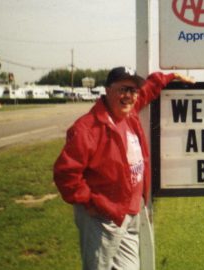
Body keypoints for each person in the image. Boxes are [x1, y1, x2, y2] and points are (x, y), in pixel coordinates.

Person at [53, 66, 195, 270]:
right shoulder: (87, 128)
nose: (129, 95)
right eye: (123, 89)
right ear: (107, 90)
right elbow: (65, 173)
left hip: (130, 213)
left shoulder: (129, 113)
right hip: (103, 217)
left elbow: (148, 89)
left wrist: (170, 76)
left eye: (133, 90)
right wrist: (90, 202)